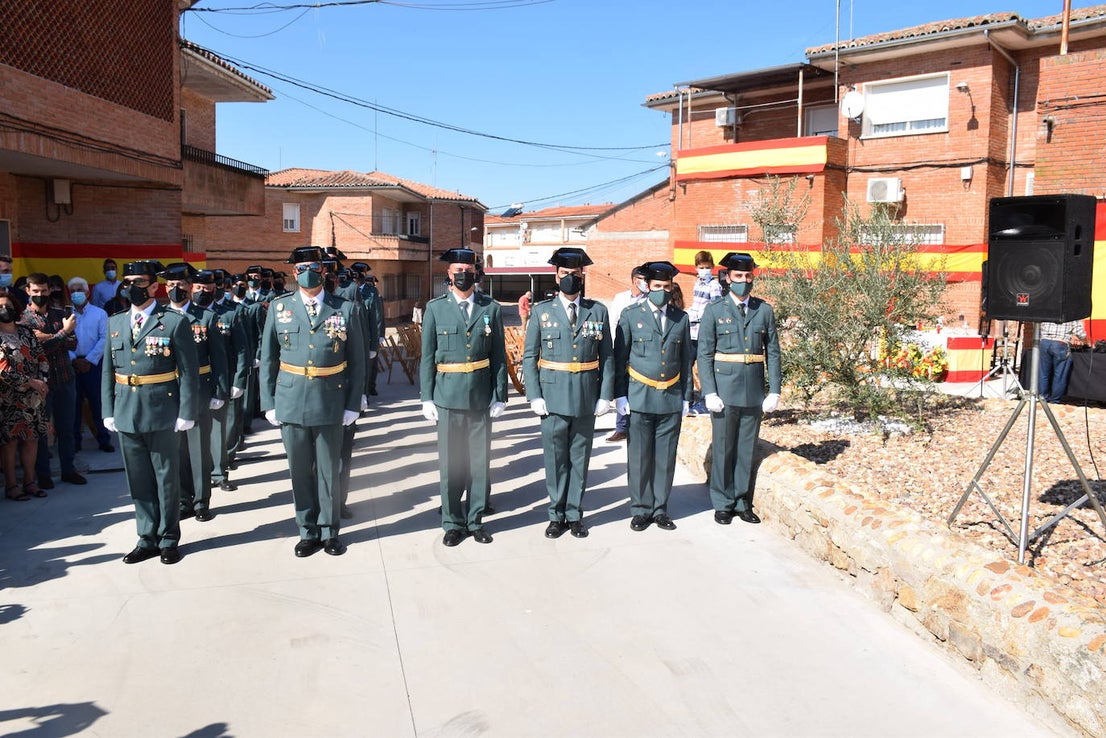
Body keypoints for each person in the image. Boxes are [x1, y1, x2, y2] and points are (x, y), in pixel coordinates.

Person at [259, 247, 365, 558]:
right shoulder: (279, 308)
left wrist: (353, 404)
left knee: (329, 470)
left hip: (331, 398)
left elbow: (357, 361)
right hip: (290, 399)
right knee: (300, 470)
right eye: (302, 267)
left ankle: (330, 531)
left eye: (314, 267)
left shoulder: (345, 309)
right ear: (294, 273)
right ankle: (307, 531)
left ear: (324, 271)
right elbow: (268, 359)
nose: (309, 272)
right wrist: (268, 402)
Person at [102, 260, 200, 564]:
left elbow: (189, 372)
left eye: (139, 282)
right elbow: (108, 370)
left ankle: (169, 537)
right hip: (126, 410)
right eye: (127, 281)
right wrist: (108, 409)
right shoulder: (115, 322)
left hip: (162, 410)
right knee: (138, 480)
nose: (132, 287)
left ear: (154, 286)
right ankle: (146, 537)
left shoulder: (172, 321)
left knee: (166, 478)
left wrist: (186, 411)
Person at [522, 247, 614, 539]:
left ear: (583, 276)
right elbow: (529, 356)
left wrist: (605, 395)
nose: (569, 279)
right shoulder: (541, 312)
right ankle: (555, 514)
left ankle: (574, 514)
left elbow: (608, 356)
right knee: (554, 459)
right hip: (552, 398)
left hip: (586, 396)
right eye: (564, 274)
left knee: (579, 458)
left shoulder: (597, 310)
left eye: (575, 274)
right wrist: (534, 395)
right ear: (556, 275)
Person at [419, 248, 507, 546]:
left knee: (479, 463)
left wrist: (500, 395)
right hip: (446, 397)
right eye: (458, 270)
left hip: (480, 396)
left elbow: (498, 357)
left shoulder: (490, 308)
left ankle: (476, 520)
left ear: (476, 273)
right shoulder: (435, 308)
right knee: (451, 463)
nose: (463, 275)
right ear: (449, 274)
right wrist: (426, 398)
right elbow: (427, 356)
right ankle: (453, 522)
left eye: (468, 270)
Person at [697, 252, 781, 526]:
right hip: (723, 390)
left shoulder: (763, 310)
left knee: (746, 448)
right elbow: (705, 354)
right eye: (738, 277)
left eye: (748, 277)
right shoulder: (714, 310)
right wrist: (708, 391)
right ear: (728, 278)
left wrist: (775, 390)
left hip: (753, 390)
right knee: (723, 447)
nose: (744, 281)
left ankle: (742, 501)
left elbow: (774, 354)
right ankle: (722, 502)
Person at [613, 261, 693, 532]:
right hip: (640, 396)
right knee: (639, 456)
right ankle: (640, 509)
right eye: (657, 286)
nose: (662, 291)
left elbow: (685, 361)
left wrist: (686, 396)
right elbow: (620, 358)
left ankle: (660, 509)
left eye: (667, 287)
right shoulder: (630, 314)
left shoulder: (680, 318)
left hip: (670, 396)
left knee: (665, 457)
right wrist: (620, 396)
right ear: (647, 286)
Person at [162, 264, 228, 522]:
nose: (175, 290)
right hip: (169, 390)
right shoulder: (160, 317)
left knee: (198, 448)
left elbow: (220, 359)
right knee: (175, 449)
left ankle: (201, 501)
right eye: (170, 286)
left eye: (180, 285)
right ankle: (182, 499)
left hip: (200, 388)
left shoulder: (206, 318)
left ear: (190, 287)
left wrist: (219, 391)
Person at [22, 272, 83, 489]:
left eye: (44, 291)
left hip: (65, 378)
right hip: (41, 384)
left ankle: (68, 469)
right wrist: (62, 333)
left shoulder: (61, 313)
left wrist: (53, 336)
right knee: (41, 431)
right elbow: (34, 348)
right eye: (35, 291)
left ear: (50, 290)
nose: (40, 295)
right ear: (28, 291)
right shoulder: (23, 320)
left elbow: (74, 344)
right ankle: (44, 475)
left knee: (66, 428)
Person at [0, 291, 49, 501]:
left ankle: (30, 482)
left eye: (8, 305)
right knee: (9, 442)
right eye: (0, 306)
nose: (4, 310)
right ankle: (11, 486)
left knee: (31, 439)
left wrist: (42, 382)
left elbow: (41, 357)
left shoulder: (27, 332)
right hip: (7, 398)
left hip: (34, 398)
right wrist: (30, 382)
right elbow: (3, 371)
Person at [67, 277, 113, 453]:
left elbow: (104, 338)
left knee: (97, 404)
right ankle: (75, 442)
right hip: (72, 363)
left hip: (93, 364)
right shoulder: (65, 314)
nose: (76, 293)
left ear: (87, 292)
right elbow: (63, 338)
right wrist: (74, 360)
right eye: (73, 290)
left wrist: (89, 360)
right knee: (74, 406)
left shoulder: (99, 313)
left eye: (80, 290)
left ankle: (104, 439)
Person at [605, 265, 649, 442]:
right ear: (634, 280)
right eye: (642, 279)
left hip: (641, 350)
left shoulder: (650, 299)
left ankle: (637, 425)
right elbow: (612, 322)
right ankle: (621, 427)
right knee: (621, 385)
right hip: (622, 347)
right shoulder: (621, 298)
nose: (645, 282)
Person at [687, 250, 723, 416]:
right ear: (696, 268)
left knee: (703, 369)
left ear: (713, 267)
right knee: (687, 366)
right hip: (693, 332)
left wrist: (693, 315)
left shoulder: (714, 285)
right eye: (701, 267)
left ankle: (704, 402)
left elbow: (715, 309)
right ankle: (687, 400)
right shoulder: (698, 283)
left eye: (707, 267)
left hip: (703, 332)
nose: (704, 270)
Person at [1038, 320, 1087, 403]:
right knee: (1060, 375)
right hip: (1060, 342)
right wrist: (1085, 338)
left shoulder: (1047, 308)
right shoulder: (1070, 311)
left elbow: (1038, 325)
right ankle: (1054, 401)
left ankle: (1043, 398)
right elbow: (1079, 331)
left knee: (1043, 373)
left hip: (1044, 342)